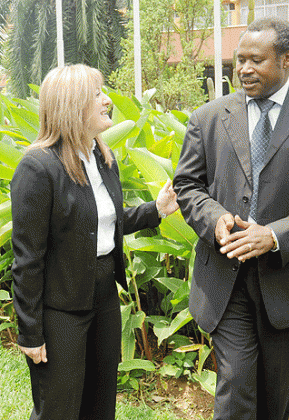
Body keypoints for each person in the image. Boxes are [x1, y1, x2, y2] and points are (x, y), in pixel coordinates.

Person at [173, 17, 289, 420]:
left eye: (256, 60)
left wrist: (274, 235)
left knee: (274, 399)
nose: (243, 69)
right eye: (240, 60)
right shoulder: (207, 118)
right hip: (224, 279)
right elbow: (187, 185)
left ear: (287, 59)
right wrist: (215, 218)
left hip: (287, 280)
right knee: (236, 387)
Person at [11, 64, 179, 420]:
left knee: (101, 405)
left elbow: (101, 224)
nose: (107, 102)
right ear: (72, 105)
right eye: (98, 95)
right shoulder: (38, 168)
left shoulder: (102, 158)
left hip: (102, 297)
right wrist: (30, 333)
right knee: (59, 409)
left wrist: (156, 210)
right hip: (60, 308)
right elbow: (27, 259)